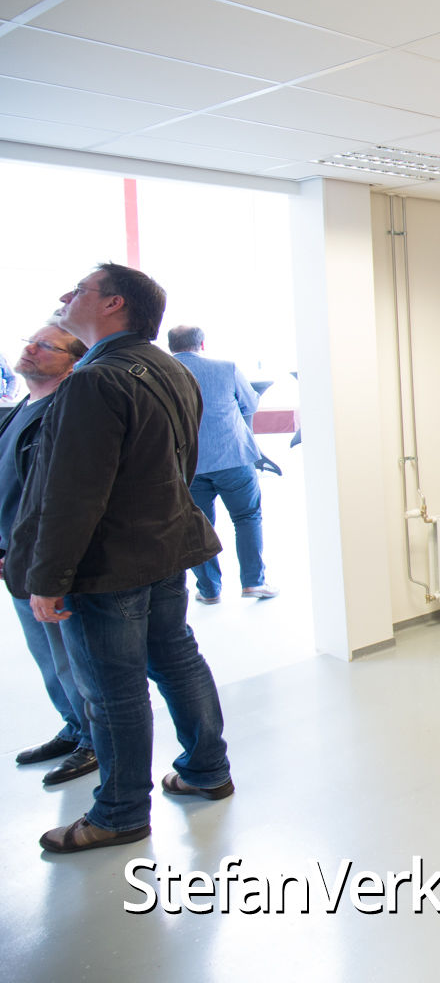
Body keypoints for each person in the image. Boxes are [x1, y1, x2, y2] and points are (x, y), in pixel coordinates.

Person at [7, 263, 234, 853]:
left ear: (114, 304)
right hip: (164, 547)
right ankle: (207, 769)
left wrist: (48, 577)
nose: (66, 295)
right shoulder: (167, 367)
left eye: (81, 289)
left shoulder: (93, 381)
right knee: (177, 660)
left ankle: (120, 813)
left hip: (108, 565)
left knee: (113, 691)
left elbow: (71, 493)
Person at [2, 324, 98, 788]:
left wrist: (38, 560)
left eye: (45, 346)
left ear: (73, 363)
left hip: (43, 562)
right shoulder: (22, 408)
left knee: (71, 659)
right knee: (46, 657)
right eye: (31, 342)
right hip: (15, 559)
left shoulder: (64, 413)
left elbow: (57, 500)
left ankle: (94, 740)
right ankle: (75, 726)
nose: (31, 350)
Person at [167, 325, 275, 602]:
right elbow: (250, 404)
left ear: (170, 346)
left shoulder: (161, 374)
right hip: (233, 458)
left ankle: (209, 590)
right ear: (202, 344)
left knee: (197, 527)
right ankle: (253, 583)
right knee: (247, 517)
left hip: (188, 466)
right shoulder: (227, 368)